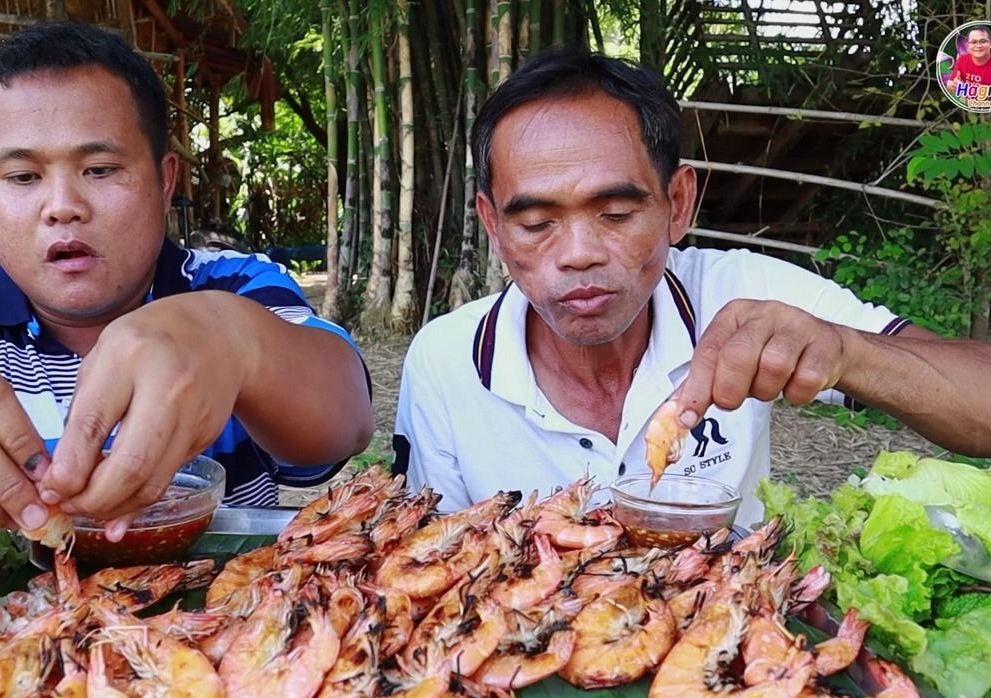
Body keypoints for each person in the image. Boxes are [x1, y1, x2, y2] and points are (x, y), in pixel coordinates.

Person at [393, 48, 991, 525]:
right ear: (493, 225)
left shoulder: (748, 293)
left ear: (678, 204)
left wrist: (845, 350)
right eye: (536, 223)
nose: (577, 255)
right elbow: (434, 562)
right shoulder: (445, 364)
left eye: (617, 214)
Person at [0, 22, 373, 540]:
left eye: (100, 170)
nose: (62, 207)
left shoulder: (231, 287)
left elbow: (346, 419)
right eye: (23, 177)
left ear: (164, 182)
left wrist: (237, 341)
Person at [946, 25, 991, 98]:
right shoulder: (962, 59)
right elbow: (950, 83)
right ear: (968, 44)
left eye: (983, 41)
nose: (978, 45)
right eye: (973, 42)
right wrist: (955, 86)